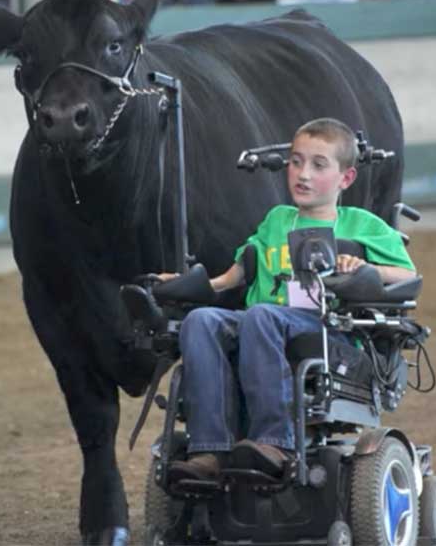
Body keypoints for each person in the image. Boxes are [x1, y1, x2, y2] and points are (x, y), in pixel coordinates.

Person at [159, 118, 417, 483]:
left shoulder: (361, 225)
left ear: (346, 179)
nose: (303, 174)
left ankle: (275, 441)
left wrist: (364, 267)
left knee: (262, 316)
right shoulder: (276, 220)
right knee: (201, 320)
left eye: (318, 165)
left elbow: (407, 276)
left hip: (329, 330)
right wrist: (190, 284)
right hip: (262, 322)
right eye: (296, 162)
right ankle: (210, 448)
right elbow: (236, 273)